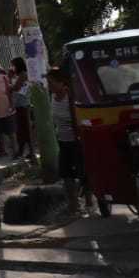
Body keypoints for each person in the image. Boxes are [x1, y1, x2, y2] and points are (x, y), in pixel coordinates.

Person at [48, 67, 86, 217]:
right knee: (66, 174)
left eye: (52, 82)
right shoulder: (52, 96)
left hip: (76, 141)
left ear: (61, 82)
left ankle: (89, 201)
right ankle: (74, 205)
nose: (49, 86)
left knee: (82, 173)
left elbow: (78, 118)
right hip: (63, 141)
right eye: (48, 82)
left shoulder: (71, 96)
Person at [11, 57, 35, 160]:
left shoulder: (23, 75)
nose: (12, 67)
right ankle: (22, 150)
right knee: (21, 129)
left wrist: (9, 86)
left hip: (23, 105)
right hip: (19, 104)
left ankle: (30, 152)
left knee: (25, 129)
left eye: (13, 65)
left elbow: (16, 87)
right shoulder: (19, 75)